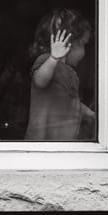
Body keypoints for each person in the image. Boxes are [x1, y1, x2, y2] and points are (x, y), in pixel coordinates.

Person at [25, 9, 96, 140]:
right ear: (68, 44)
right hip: (42, 144)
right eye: (83, 45)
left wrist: (90, 114)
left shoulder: (70, 73)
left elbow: (72, 103)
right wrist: (53, 58)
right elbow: (40, 81)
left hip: (64, 144)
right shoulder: (46, 61)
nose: (84, 52)